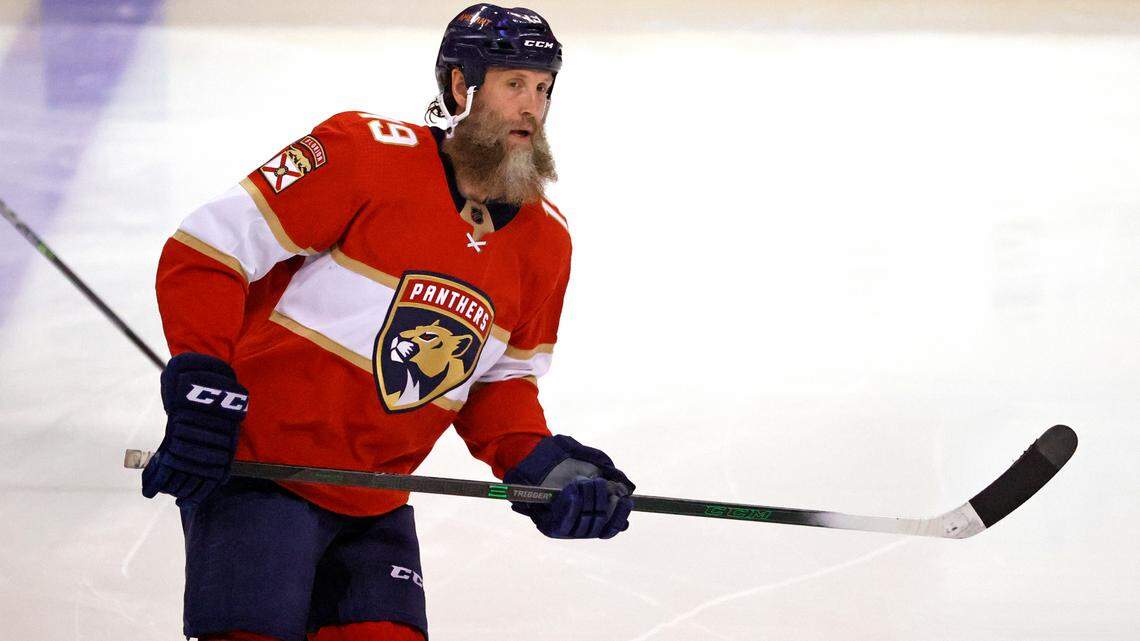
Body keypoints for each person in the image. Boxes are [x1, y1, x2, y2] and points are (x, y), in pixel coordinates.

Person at [140, 5, 635, 641]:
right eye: (514, 84)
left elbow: (496, 384)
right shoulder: (361, 152)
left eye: (543, 89)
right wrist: (201, 380)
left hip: (376, 500)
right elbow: (206, 251)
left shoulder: (547, 241)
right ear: (461, 86)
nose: (531, 109)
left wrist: (543, 467)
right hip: (259, 475)